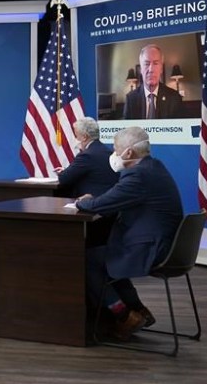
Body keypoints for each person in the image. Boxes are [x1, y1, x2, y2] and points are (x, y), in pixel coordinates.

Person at [76, 126, 182, 341]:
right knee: (106, 255)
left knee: (85, 260)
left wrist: (85, 202)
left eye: (116, 149)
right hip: (167, 244)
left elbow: (101, 205)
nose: (114, 154)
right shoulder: (153, 167)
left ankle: (124, 316)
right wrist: (97, 200)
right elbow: (115, 196)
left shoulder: (138, 175)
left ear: (129, 153)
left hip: (152, 247)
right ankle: (137, 309)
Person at [56, 117, 119, 246]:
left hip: (92, 207)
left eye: (76, 135)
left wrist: (65, 171)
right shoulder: (108, 151)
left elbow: (64, 179)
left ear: (84, 137)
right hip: (110, 208)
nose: (75, 138)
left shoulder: (87, 154)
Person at [123, 44, 183, 120]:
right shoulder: (131, 99)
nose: (151, 69)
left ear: (161, 69)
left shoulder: (174, 98)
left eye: (155, 63)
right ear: (141, 69)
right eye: (147, 64)